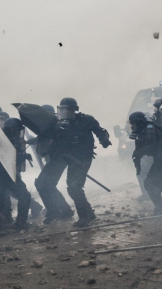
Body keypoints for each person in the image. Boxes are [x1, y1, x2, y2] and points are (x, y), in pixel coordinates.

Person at [35, 97, 111, 228]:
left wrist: (104, 140)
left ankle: (84, 216)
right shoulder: (56, 124)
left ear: (74, 110)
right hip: (63, 156)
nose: (65, 113)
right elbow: (45, 139)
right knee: (43, 182)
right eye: (62, 110)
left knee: (74, 186)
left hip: (82, 157)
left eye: (68, 110)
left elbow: (100, 130)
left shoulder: (86, 120)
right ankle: (54, 211)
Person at [0, 118, 33, 231]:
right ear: (11, 130)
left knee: (25, 196)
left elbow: (13, 159)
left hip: (10, 175)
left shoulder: (14, 141)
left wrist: (22, 155)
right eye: (17, 131)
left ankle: (20, 224)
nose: (18, 134)